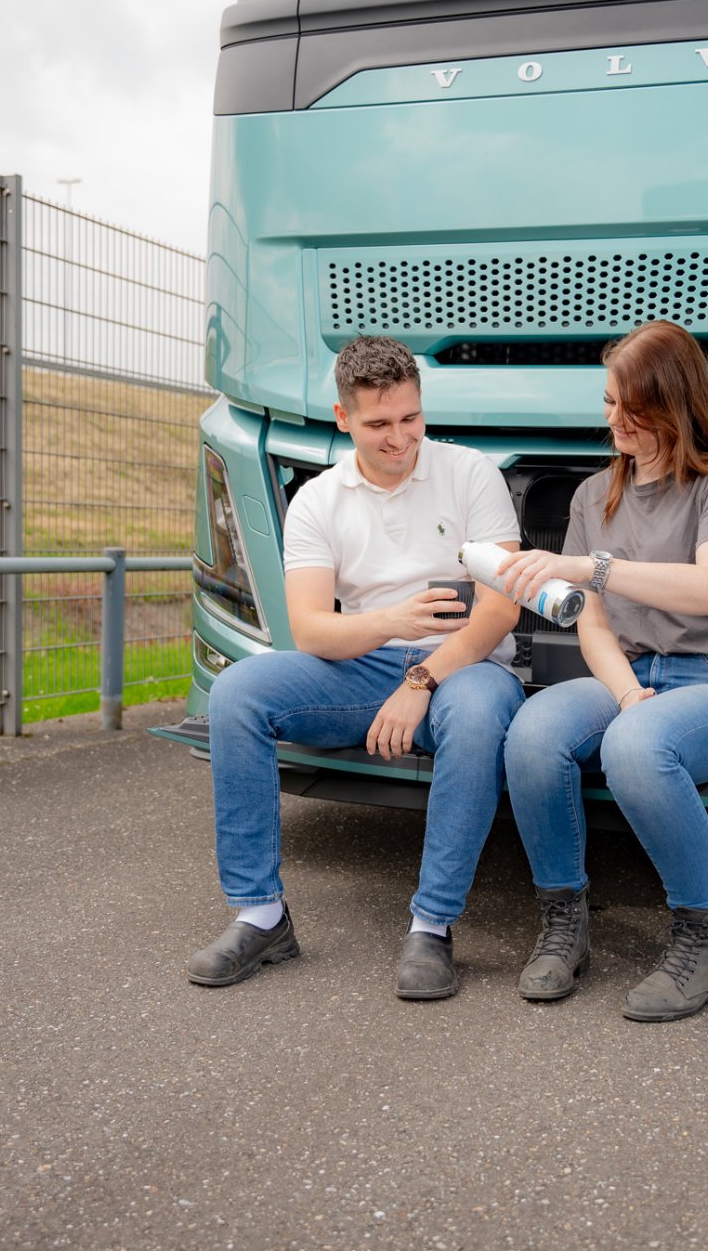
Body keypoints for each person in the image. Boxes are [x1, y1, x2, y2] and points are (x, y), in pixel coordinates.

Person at [188, 335, 525, 1000]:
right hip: (364, 668)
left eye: (410, 418)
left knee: (483, 714)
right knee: (237, 694)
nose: (400, 438)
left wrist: (421, 681)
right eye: (378, 425)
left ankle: (432, 927)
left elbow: (498, 613)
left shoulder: (471, 474)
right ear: (344, 419)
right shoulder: (319, 502)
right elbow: (311, 628)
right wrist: (392, 624)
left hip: (465, 668)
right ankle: (261, 916)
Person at [497, 320, 708, 1022]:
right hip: (631, 672)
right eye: (610, 404)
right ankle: (564, 924)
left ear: (675, 405)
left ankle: (701, 942)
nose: (615, 421)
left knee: (635, 746)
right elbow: (591, 621)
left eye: (634, 409)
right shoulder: (595, 496)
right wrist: (626, 692)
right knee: (531, 734)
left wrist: (590, 565)